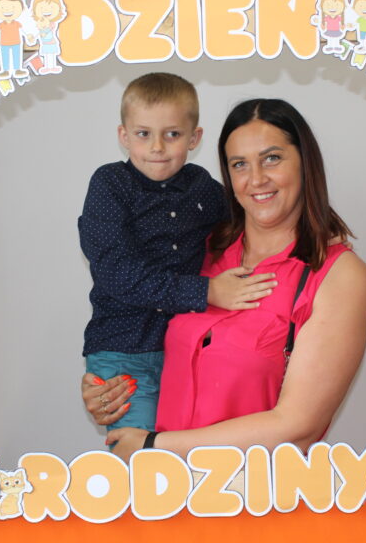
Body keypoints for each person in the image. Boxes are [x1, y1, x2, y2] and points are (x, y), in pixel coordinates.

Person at [82, 98, 366, 460]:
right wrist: (111, 384)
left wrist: (154, 445)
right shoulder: (201, 251)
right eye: (239, 164)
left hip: (255, 490)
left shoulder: (338, 276)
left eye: (272, 158)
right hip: (164, 487)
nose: (256, 179)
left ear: (305, 162)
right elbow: (145, 315)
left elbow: (298, 426)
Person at [79, 74, 277, 435]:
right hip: (124, 354)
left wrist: (319, 229)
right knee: (142, 455)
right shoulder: (110, 185)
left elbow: (252, 220)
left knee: (189, 455)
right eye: (143, 134)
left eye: (172, 134)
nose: (157, 147)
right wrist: (206, 291)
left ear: (194, 138)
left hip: (187, 351)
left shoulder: (201, 187)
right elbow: (118, 273)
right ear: (124, 136)